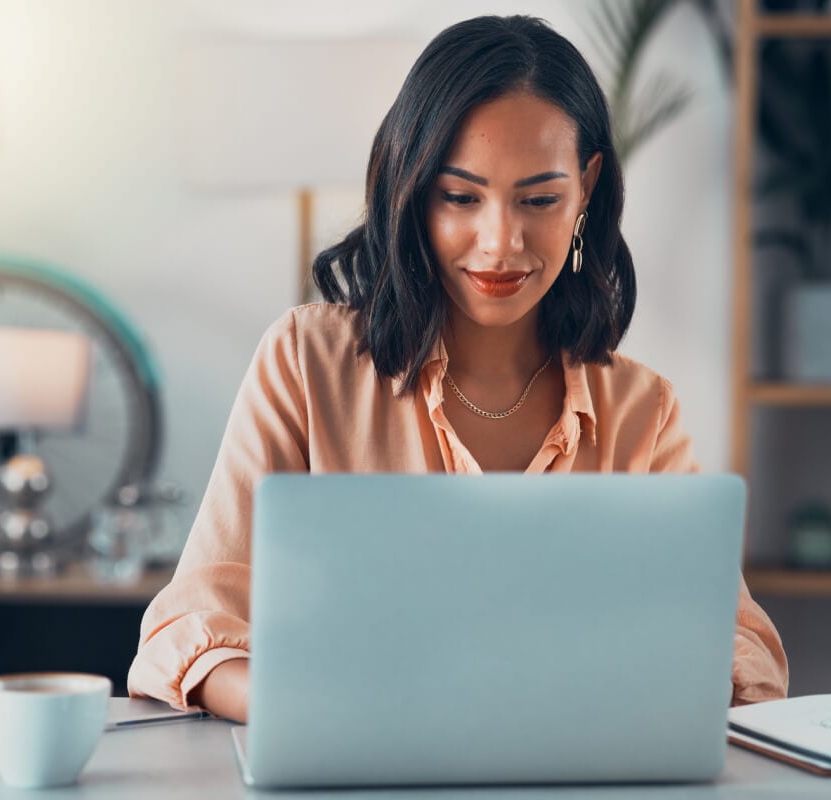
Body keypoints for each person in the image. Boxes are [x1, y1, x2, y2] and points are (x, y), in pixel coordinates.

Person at [128, 14, 787, 723]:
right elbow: (188, 629)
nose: (501, 243)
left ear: (587, 190)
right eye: (460, 197)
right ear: (412, 192)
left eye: (539, 200)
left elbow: (737, 644)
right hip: (352, 763)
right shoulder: (304, 363)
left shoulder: (641, 412)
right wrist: (314, 711)